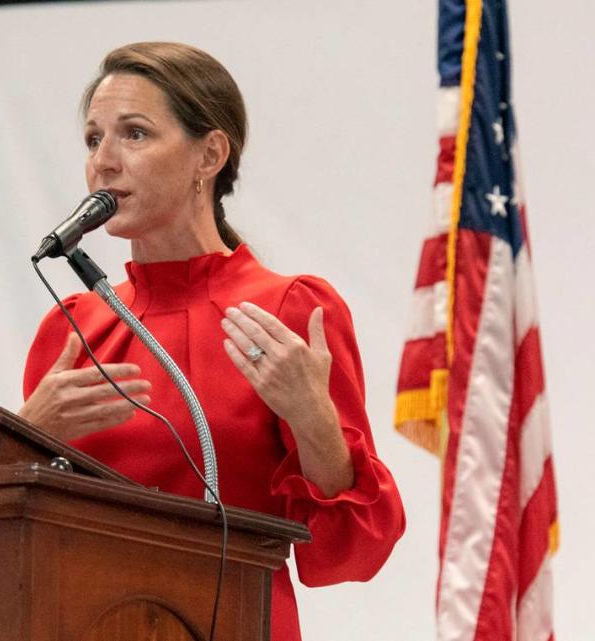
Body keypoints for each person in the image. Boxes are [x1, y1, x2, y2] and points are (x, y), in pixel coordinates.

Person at [20, 42, 404, 640]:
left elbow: (356, 552)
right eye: (94, 140)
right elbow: (20, 539)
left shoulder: (290, 310)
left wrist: (315, 424)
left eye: (136, 134)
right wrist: (25, 434)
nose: (104, 162)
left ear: (210, 155)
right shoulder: (71, 326)